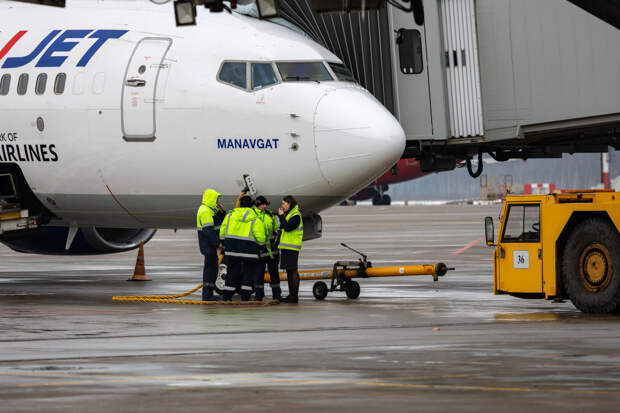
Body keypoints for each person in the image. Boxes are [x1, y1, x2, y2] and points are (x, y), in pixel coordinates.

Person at [219, 195, 266, 301]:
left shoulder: (230, 215)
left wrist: (223, 243)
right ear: (251, 204)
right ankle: (245, 296)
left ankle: (227, 296)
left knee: (231, 272)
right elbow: (261, 237)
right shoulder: (255, 217)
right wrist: (261, 246)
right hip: (249, 251)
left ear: (240, 204)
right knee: (248, 273)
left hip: (232, 249)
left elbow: (222, 231)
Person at [196, 189, 226, 301]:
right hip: (208, 246)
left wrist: (221, 212)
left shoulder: (210, 210)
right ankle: (207, 295)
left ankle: (209, 293)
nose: (218, 201)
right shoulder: (205, 211)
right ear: (211, 198)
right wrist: (218, 243)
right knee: (210, 270)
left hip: (210, 246)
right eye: (216, 199)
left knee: (212, 269)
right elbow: (208, 231)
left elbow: (218, 225)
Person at [252, 196, 281, 301]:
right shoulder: (252, 214)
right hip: (259, 250)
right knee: (258, 274)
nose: (265, 206)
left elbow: (276, 228)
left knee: (274, 273)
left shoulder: (270, 214)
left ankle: (277, 294)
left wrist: (276, 235)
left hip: (272, 250)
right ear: (258, 204)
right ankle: (259, 295)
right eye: (263, 204)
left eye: (265, 205)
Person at [278, 195, 303, 303]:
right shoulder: (291, 214)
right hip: (287, 246)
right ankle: (291, 295)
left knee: (292, 270)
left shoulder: (296, 215)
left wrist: (281, 216)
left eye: (284, 203)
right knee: (289, 271)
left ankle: (294, 296)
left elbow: (287, 228)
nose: (282, 206)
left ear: (289, 204)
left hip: (292, 247)